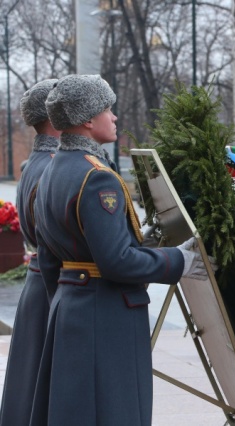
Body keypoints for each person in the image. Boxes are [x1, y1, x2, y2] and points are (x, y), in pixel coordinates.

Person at [30, 74, 210, 426]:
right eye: (107, 109)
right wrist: (179, 261)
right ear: (87, 119)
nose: (113, 117)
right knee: (115, 411)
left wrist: (66, 303)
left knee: (77, 413)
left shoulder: (51, 169)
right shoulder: (97, 177)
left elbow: (50, 256)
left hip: (71, 308)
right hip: (106, 314)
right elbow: (116, 262)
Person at [0, 79, 60, 426]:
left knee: (29, 389)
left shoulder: (34, 162)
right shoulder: (51, 166)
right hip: (51, 285)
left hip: (38, 283)